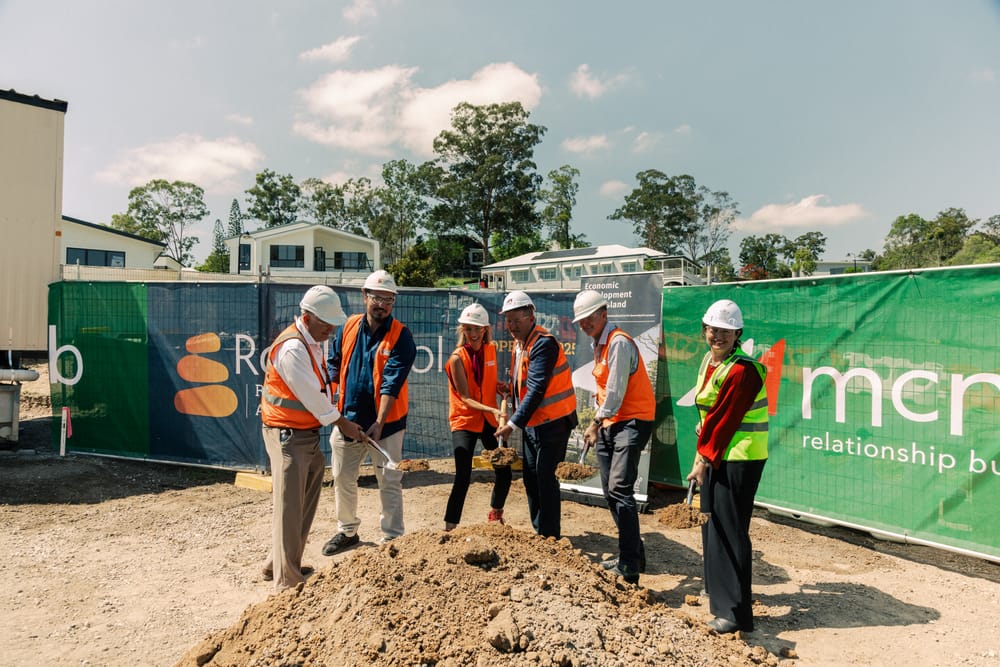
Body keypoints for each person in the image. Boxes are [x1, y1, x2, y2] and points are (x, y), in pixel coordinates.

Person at [259, 285, 365, 591]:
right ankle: (287, 580)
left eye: (333, 323)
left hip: (303, 434)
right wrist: (342, 422)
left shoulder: (312, 342)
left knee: (302, 502)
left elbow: (320, 391)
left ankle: (279, 563)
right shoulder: (294, 348)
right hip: (288, 436)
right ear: (307, 317)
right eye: (326, 323)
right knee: (290, 507)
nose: (331, 329)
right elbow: (312, 398)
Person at [685, 299, 768, 634]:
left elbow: (725, 421)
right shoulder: (710, 361)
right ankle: (718, 594)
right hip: (719, 453)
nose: (716, 335)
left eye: (724, 331)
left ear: (738, 334)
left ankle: (734, 614)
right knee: (712, 526)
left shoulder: (742, 370)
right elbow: (709, 415)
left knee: (729, 532)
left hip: (740, 458)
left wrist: (703, 460)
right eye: (712, 329)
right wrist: (702, 451)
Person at [322, 270, 417, 554]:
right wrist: (330, 400)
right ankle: (348, 531)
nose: (383, 305)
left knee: (389, 481)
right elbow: (334, 362)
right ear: (365, 296)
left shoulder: (402, 336)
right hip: (347, 420)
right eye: (377, 298)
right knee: (342, 477)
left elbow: (392, 382)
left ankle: (392, 539)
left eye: (389, 300)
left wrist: (379, 421)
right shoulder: (349, 326)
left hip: (386, 425)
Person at [574, 289, 655, 585]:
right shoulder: (600, 344)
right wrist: (600, 420)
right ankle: (633, 554)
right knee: (611, 490)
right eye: (580, 320)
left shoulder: (618, 343)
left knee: (620, 488)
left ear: (604, 313)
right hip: (612, 420)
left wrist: (595, 422)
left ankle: (630, 566)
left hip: (632, 420)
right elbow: (604, 392)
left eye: (589, 317)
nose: (584, 323)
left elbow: (617, 393)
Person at [495, 290, 578, 539]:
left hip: (554, 422)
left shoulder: (544, 343)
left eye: (516, 321)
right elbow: (525, 382)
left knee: (546, 478)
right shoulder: (521, 343)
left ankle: (550, 536)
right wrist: (510, 389)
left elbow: (538, 388)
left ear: (531, 316)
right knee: (531, 477)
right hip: (534, 422)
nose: (510, 326)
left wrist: (511, 423)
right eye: (507, 321)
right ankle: (539, 529)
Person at [443, 303, 512, 531]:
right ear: (463, 330)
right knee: (463, 475)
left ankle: (495, 514)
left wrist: (499, 387)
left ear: (485, 329)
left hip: (488, 421)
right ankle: (450, 527)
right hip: (464, 420)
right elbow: (465, 397)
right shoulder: (456, 358)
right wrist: (492, 409)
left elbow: (486, 383)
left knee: (504, 469)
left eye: (477, 329)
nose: (473, 334)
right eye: (468, 329)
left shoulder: (490, 350)